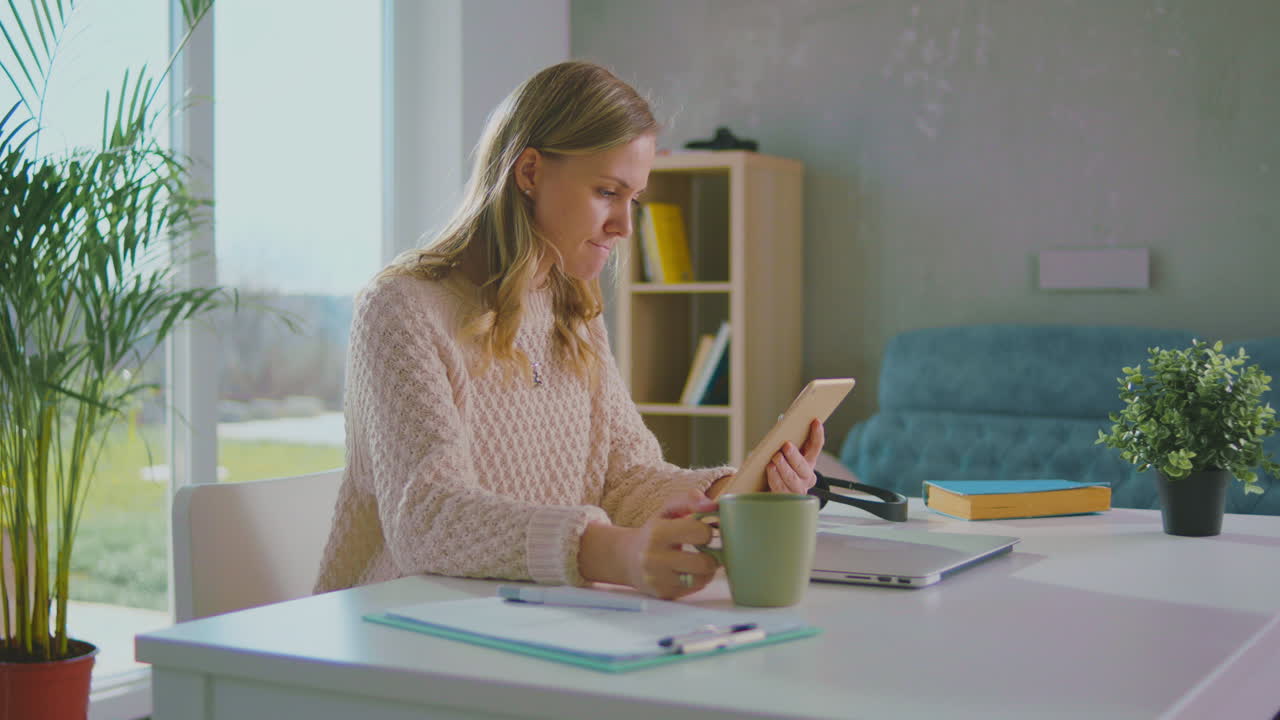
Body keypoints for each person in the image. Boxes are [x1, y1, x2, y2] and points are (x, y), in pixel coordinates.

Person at [314, 61, 823, 601]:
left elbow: (625, 478)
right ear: (529, 172)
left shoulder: (572, 309)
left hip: (534, 616)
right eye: (607, 191)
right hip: (405, 626)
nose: (625, 226)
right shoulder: (402, 308)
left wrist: (732, 493)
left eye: (634, 199)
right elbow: (428, 519)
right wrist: (612, 552)